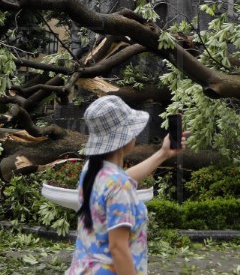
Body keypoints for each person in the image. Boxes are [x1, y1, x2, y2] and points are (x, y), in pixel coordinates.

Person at [66, 95, 186, 274]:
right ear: (125, 137)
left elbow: (120, 180)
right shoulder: (118, 185)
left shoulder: (91, 169)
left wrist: (163, 153)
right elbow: (118, 249)